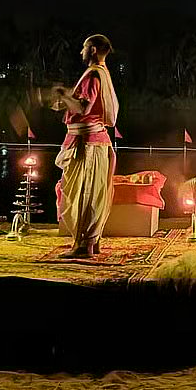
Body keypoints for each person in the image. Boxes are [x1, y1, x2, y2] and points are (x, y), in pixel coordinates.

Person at [51, 34, 120, 258]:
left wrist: (64, 96)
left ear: (92, 50)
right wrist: (65, 100)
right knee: (94, 193)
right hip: (96, 142)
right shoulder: (103, 73)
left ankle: (82, 245)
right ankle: (92, 241)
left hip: (86, 145)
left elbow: (83, 107)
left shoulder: (93, 74)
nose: (81, 51)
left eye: (84, 47)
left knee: (82, 194)